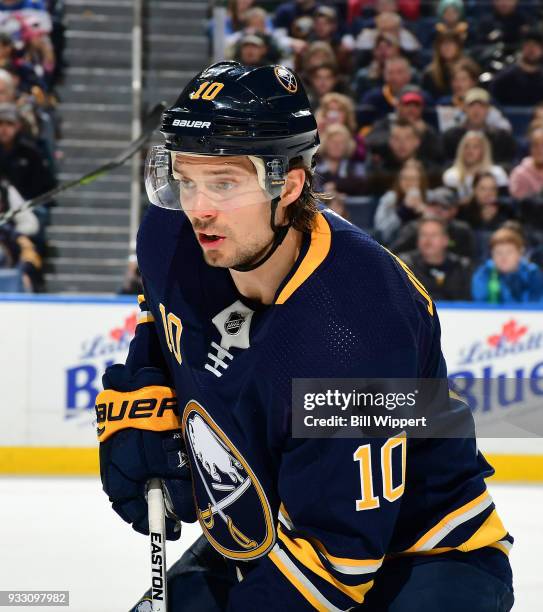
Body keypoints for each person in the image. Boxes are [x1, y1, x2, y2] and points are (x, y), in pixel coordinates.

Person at [95, 61, 514, 612]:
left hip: (421, 558)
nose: (198, 207)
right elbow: (160, 323)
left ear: (288, 184)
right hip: (271, 530)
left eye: (224, 181)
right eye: (186, 178)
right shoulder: (169, 238)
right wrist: (144, 383)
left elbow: (333, 568)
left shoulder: (356, 330)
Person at [398, 217, 473, 301]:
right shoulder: (405, 265)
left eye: (433, 235)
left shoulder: (461, 267)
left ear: (445, 240)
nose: (427, 240)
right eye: (423, 235)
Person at [442, 87, 516, 164]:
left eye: (481, 105)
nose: (476, 110)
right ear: (464, 108)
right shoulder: (451, 137)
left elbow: (507, 163)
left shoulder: (501, 138)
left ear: (488, 109)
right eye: (471, 105)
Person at [472, 226, 543, 303]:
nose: (503, 257)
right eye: (498, 252)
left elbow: (535, 304)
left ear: (520, 253)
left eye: (509, 252)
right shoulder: (484, 272)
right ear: (492, 254)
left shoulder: (532, 273)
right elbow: (481, 304)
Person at [443, 130, 508, 203]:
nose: (470, 151)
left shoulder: (497, 173)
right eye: (466, 146)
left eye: (475, 147)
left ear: (484, 150)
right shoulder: (451, 175)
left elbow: (504, 201)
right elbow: (450, 204)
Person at [374, 158, 428, 244]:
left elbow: (438, 230)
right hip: (394, 246)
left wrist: (424, 212)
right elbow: (382, 233)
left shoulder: (430, 198)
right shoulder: (389, 199)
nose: (408, 183)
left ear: (421, 181)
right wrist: (403, 209)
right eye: (404, 178)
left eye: (413, 179)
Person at [490, 28, 543, 107]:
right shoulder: (503, 79)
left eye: (537, 46)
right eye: (528, 45)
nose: (532, 49)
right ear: (522, 47)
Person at [509, 125, 543, 200]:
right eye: (536, 145)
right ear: (530, 148)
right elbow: (519, 205)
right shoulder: (519, 174)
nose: (540, 150)